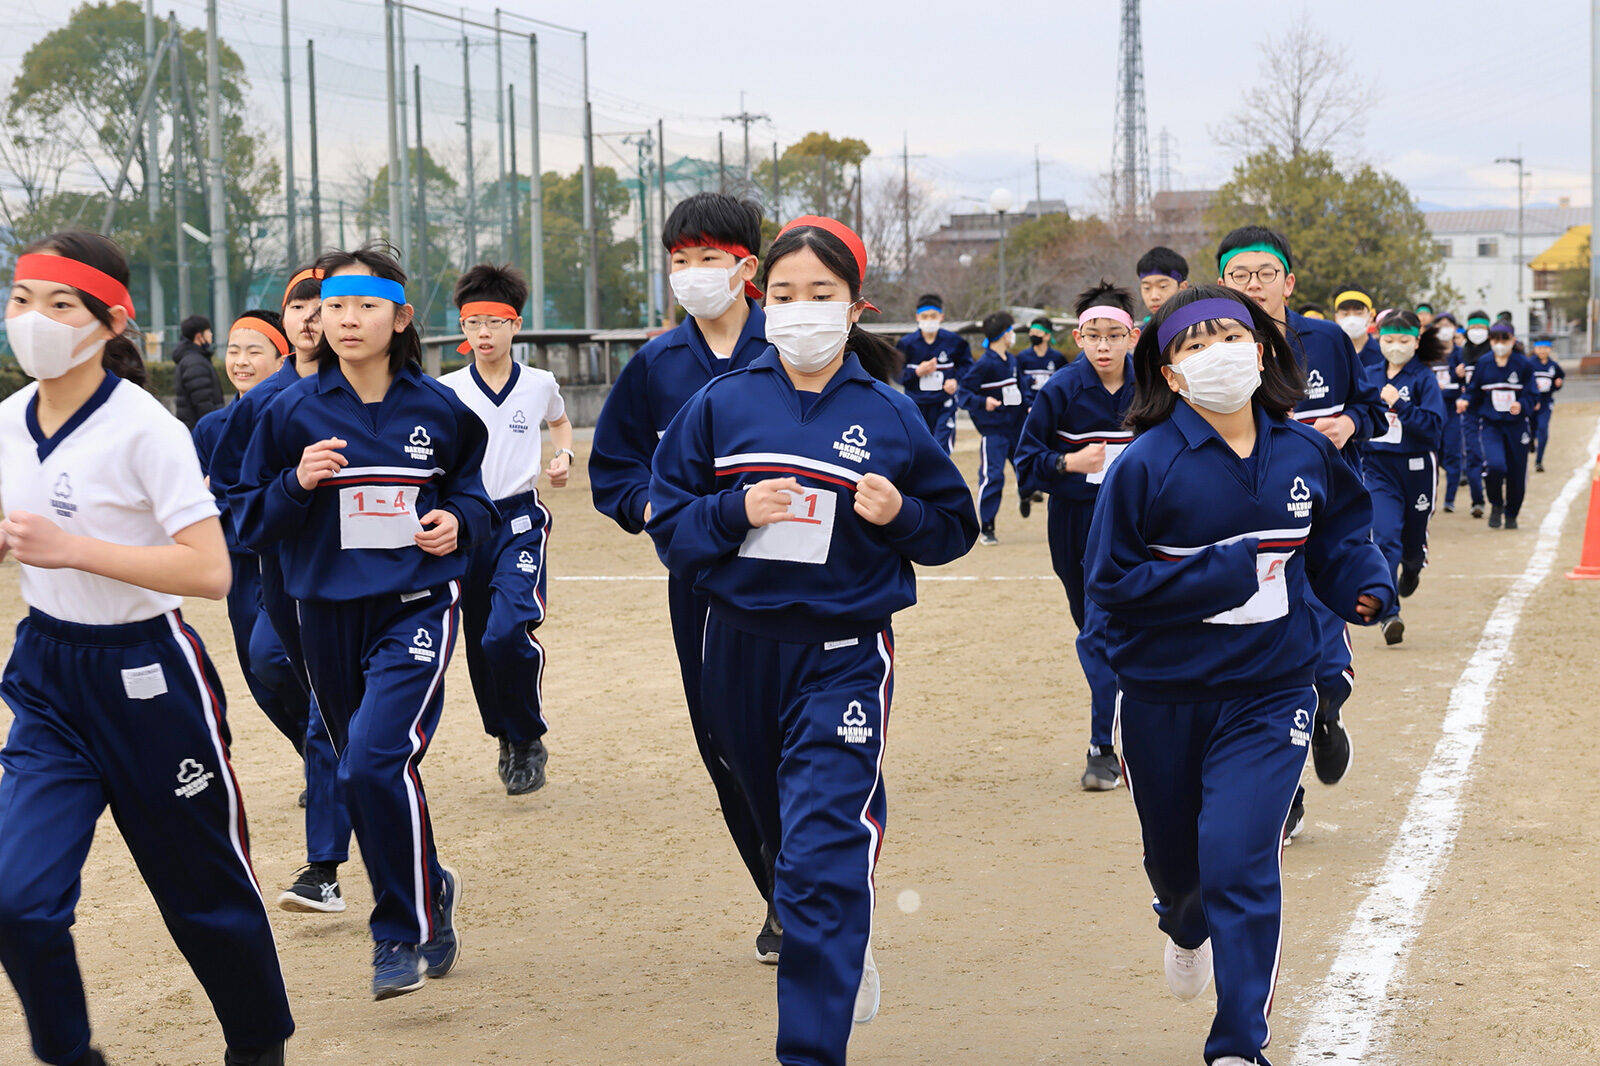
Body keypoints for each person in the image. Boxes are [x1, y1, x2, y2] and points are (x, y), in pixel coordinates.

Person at [648, 214, 977, 1066]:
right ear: (761, 300)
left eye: (821, 296)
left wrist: (900, 512)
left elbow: (953, 528)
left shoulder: (890, 414)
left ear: (855, 307)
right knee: (784, 845)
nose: (800, 310)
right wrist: (732, 510)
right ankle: (841, 924)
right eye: (785, 294)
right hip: (739, 653)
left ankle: (811, 1048)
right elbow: (667, 523)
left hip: (843, 656)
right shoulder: (717, 405)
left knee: (823, 847)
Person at [0, 232, 293, 1066]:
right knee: (16, 900)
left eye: (61, 305)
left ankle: (256, 1047)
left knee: (202, 890)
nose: (34, 321)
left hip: (148, 679)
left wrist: (72, 548)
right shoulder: (7, 425)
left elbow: (208, 569)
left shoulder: (147, 431)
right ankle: (69, 1054)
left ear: (110, 322)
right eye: (22, 301)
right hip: (49, 679)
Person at [1085, 285, 1392, 1066]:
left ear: (1262, 351)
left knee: (1241, 858)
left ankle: (1237, 1044)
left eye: (1232, 336)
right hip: (1163, 698)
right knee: (1182, 872)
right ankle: (1184, 922)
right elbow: (1111, 590)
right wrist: (1218, 577)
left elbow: (1339, 536)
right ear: (1171, 371)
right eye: (1194, 343)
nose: (1217, 351)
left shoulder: (1304, 451)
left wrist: (1364, 581)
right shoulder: (1144, 467)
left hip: (1272, 690)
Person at [236, 242, 495, 999]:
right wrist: (295, 482)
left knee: (374, 762)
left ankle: (400, 935)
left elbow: (475, 497)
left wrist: (458, 523)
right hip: (324, 615)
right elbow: (246, 518)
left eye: (364, 306)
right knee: (362, 775)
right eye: (333, 307)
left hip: (414, 607)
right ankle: (430, 886)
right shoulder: (288, 412)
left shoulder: (442, 410)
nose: (344, 320)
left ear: (401, 317)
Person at [589, 193, 780, 961]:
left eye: (709, 258)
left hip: (802, 582)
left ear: (747, 266)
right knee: (726, 742)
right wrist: (651, 509)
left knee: (797, 736)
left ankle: (816, 885)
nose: (693, 275)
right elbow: (616, 466)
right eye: (680, 261)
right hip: (701, 584)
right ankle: (782, 894)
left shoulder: (793, 344)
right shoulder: (657, 365)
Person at [1216, 226, 1384, 820]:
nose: (1253, 284)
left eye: (1265, 272)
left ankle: (1326, 712)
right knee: (1260, 656)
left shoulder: (1331, 342)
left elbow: (1373, 408)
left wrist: (1350, 426)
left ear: (1289, 281)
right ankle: (1286, 796)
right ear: (1223, 284)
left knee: (1325, 662)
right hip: (1247, 529)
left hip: (1322, 523)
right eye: (1239, 275)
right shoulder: (1211, 346)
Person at [206, 267, 356, 917]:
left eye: (320, 306)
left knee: (326, 712)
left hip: (343, 581)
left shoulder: (369, 396)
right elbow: (224, 502)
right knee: (268, 675)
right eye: (298, 305)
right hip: (261, 573)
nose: (309, 316)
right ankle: (344, 764)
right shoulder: (244, 416)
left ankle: (322, 867)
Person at [439, 264, 572, 795]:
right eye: (474, 323)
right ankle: (507, 737)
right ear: (464, 331)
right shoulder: (445, 390)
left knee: (506, 631)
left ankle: (529, 736)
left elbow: (559, 422)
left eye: (495, 321)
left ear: (515, 325)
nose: (484, 333)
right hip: (467, 524)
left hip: (519, 521)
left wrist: (562, 455)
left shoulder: (539, 383)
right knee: (479, 644)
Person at [1015, 281, 1137, 792]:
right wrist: (1068, 462)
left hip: (1137, 525)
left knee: (1107, 634)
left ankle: (1103, 746)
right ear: (1079, 337)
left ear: (1132, 336)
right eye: (1093, 335)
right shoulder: (1060, 390)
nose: (1104, 346)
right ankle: (1115, 730)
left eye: (1114, 335)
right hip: (1076, 523)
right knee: (1095, 630)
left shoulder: (1154, 385)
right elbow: (1026, 463)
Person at [192, 310, 304, 755]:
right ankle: (317, 752)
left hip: (286, 559)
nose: (240, 361)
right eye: (233, 350)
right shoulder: (210, 428)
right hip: (238, 563)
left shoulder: (299, 414)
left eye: (254, 351)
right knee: (259, 678)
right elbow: (198, 496)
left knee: (273, 657)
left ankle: (327, 747)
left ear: (282, 360)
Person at [1361, 311, 1445, 645]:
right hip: (1379, 468)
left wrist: (1402, 407)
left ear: (1416, 341)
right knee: (1384, 537)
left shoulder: (1423, 379)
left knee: (1411, 543)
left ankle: (1412, 568)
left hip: (1417, 469)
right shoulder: (1368, 374)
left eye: (1403, 341)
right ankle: (1390, 613)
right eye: (1389, 340)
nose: (1395, 347)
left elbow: (1433, 430)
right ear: (1378, 338)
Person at [1459, 320, 1537, 529]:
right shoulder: (1484, 364)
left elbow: (1532, 394)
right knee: (1495, 466)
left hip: (1517, 427)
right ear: (1490, 340)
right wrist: (1466, 402)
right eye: (1495, 339)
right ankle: (1496, 504)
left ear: (1512, 340)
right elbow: (1474, 392)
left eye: (1505, 339)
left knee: (1516, 472)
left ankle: (1512, 513)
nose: (1500, 343)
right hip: (1491, 425)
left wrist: (1521, 405)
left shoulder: (1523, 365)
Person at [959, 311, 1028, 544]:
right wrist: (983, 402)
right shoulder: (985, 364)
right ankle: (987, 526)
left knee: (1027, 466)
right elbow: (963, 393)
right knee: (993, 476)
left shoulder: (1012, 360)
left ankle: (1026, 494)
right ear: (1002, 334)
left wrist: (1028, 406)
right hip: (995, 431)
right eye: (1010, 331)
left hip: (1015, 428)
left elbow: (1020, 390)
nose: (1013, 335)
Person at [895, 293, 972, 455]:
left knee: (941, 449)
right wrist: (916, 371)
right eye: (924, 316)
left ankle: (942, 479)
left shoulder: (955, 342)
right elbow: (896, 373)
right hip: (916, 404)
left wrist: (956, 381)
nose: (929, 320)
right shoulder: (906, 344)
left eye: (933, 316)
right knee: (919, 448)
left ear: (941, 316)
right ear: (917, 317)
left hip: (944, 404)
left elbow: (968, 366)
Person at [1453, 311, 1493, 517]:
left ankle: (1496, 494)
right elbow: (1458, 382)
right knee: (1473, 455)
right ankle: (1478, 501)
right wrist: (1458, 374)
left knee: (1492, 458)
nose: (1477, 332)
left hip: (1490, 411)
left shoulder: (1493, 353)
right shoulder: (1462, 353)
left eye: (1482, 328)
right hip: (1469, 411)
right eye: (1474, 328)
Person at [1428, 318, 1465, 512]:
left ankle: (1449, 499)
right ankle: (1430, 497)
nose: (1444, 330)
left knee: (1453, 454)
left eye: (1448, 326)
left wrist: (1461, 377)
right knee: (1435, 454)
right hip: (1432, 410)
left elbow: (1469, 385)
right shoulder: (1428, 353)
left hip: (1453, 410)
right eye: (1439, 326)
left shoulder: (1461, 355)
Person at [172, 313, 224, 429]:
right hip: (199, 430)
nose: (211, 334)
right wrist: (214, 429)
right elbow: (203, 402)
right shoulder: (195, 362)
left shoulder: (193, 358)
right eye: (208, 331)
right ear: (199, 336)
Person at [1529, 336, 1564, 472]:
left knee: (1543, 429)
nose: (1542, 351)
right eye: (1539, 348)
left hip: (1545, 402)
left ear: (1550, 349)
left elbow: (1559, 378)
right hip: (1531, 402)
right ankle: (1531, 439)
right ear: (1535, 349)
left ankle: (1539, 461)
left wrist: (1558, 384)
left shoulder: (1553, 366)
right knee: (1532, 428)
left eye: (1545, 348)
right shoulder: (1529, 364)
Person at [1136, 246, 1189, 318]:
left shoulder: (1198, 326)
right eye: (1147, 288)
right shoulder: (1144, 328)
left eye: (1163, 286)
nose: (1154, 297)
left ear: (1182, 287)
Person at [1333, 290, 1379, 371]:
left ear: (1371, 316)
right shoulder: (1330, 352)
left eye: (1359, 313)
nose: (1352, 320)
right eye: (1345, 314)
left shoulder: (1382, 354)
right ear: (1336, 317)